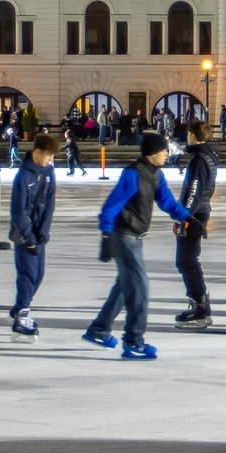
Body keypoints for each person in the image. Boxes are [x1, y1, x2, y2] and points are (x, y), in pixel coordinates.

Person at [83, 132, 190, 360]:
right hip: (123, 236)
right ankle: (133, 341)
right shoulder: (132, 174)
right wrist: (105, 234)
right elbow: (111, 206)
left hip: (136, 236)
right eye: (163, 150)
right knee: (139, 289)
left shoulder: (155, 174)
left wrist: (186, 216)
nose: (166, 153)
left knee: (124, 286)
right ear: (152, 153)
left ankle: (99, 329)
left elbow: (167, 201)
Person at [8, 131, 58, 339]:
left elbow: (50, 202)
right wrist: (28, 238)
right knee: (28, 275)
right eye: (48, 156)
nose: (50, 160)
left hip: (39, 233)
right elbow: (18, 212)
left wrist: (44, 231)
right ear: (37, 152)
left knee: (39, 275)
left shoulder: (49, 172)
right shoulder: (23, 177)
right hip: (24, 234)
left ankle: (18, 309)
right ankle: (21, 317)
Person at [173, 121, 218, 329]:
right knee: (189, 259)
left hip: (195, 214)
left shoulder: (199, 160)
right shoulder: (207, 156)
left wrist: (184, 217)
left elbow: (194, 191)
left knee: (186, 260)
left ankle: (200, 307)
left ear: (192, 135)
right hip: (199, 211)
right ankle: (200, 304)